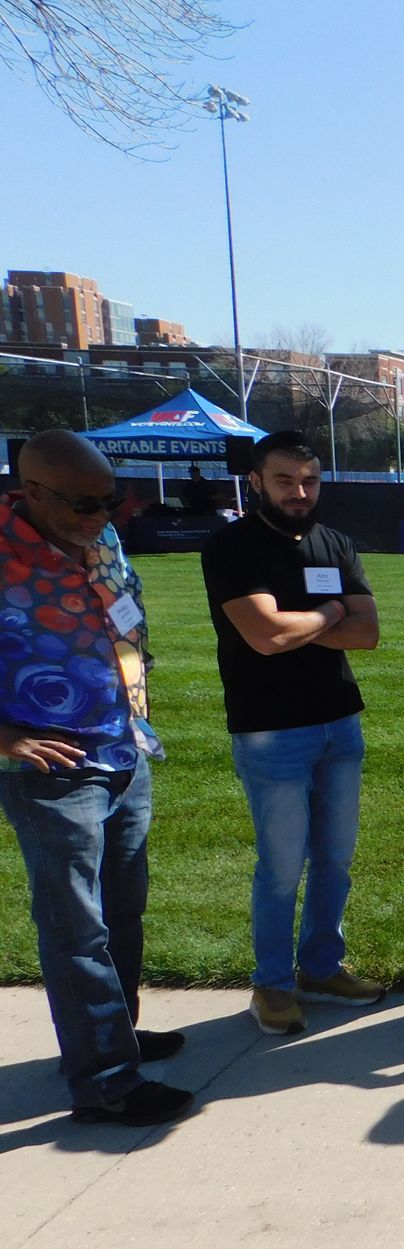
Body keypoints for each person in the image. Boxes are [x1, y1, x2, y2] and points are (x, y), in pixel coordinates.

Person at [0, 431, 191, 1126]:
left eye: (112, 500)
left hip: (124, 747)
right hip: (53, 768)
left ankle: (116, 1037)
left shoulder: (101, 538)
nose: (101, 515)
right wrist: (9, 737)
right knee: (75, 927)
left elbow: (122, 618)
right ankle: (106, 1083)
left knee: (121, 912)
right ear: (34, 492)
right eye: (86, 504)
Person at [201, 431, 387, 1035]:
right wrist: (330, 614)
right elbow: (265, 637)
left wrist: (303, 621)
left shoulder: (335, 544)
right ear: (255, 481)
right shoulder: (233, 547)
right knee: (281, 867)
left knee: (335, 859)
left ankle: (322, 966)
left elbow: (367, 634)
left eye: (309, 480)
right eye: (285, 480)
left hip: (339, 719)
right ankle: (273, 984)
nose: (300, 492)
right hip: (271, 731)